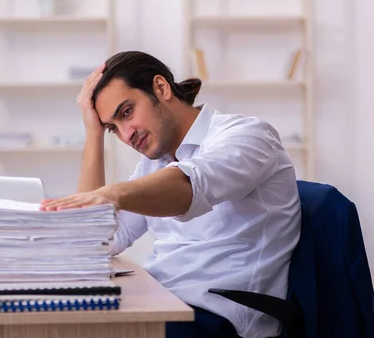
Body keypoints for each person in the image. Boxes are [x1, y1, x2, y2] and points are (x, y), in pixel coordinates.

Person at [41, 51, 301, 338]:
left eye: (127, 112)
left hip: (221, 318)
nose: (126, 135)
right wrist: (94, 132)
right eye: (113, 128)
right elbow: (97, 241)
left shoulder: (247, 136)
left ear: (161, 88)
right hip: (163, 302)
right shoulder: (155, 162)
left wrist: (112, 194)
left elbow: (190, 186)